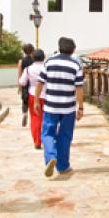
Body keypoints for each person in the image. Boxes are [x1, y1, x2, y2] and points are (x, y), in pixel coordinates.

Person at [35, 36, 84, 177]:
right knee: (65, 136)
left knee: (47, 133)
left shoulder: (49, 62)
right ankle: (63, 166)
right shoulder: (76, 65)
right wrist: (80, 108)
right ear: (73, 50)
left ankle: (51, 157)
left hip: (51, 106)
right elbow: (79, 88)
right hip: (68, 108)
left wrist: (37, 101)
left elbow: (40, 83)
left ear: (59, 47)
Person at [19, 49, 46, 149]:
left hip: (33, 94)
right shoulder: (47, 67)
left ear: (33, 58)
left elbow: (22, 82)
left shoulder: (28, 69)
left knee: (35, 118)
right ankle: (47, 140)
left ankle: (37, 141)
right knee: (46, 118)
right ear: (44, 56)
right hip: (47, 94)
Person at [17, 43, 34, 127]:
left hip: (25, 84)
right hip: (34, 84)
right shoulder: (35, 61)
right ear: (33, 50)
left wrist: (19, 87)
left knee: (24, 101)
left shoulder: (21, 61)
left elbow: (19, 75)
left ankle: (24, 113)